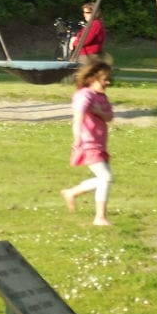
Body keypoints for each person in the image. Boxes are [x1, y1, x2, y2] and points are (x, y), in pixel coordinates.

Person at [62, 60, 115, 226]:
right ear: (92, 78)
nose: (108, 82)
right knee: (105, 177)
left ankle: (71, 192)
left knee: (104, 178)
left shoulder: (101, 97)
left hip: (99, 144)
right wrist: (77, 139)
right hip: (88, 142)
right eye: (104, 79)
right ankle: (100, 217)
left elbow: (109, 117)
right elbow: (78, 117)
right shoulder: (84, 95)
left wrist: (98, 111)